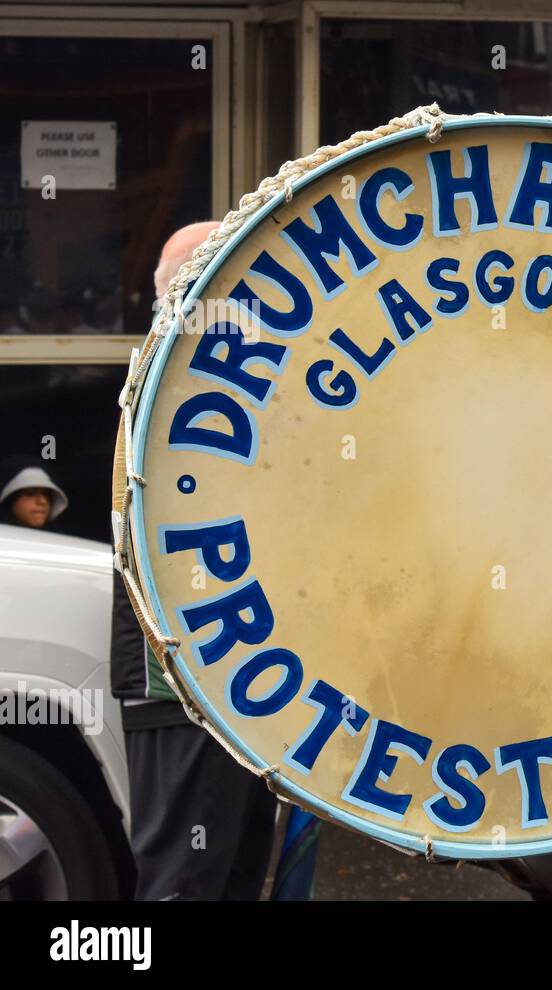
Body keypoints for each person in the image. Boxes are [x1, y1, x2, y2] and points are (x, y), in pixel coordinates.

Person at [111, 220, 279, 900]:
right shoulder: (163, 381)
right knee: (187, 873)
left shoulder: (211, 376)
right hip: (179, 670)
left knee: (236, 867)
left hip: (235, 667)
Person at [0, 454, 69, 529]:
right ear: (9, 499)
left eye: (47, 494)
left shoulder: (58, 539)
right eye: (31, 494)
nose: (43, 501)